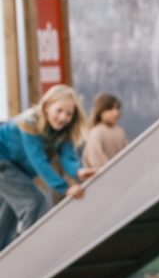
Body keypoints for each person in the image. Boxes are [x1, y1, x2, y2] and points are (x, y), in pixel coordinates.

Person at [0, 84, 92, 250]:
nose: (63, 117)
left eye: (69, 114)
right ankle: (30, 249)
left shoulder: (63, 131)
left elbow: (68, 157)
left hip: (17, 169)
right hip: (3, 161)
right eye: (59, 110)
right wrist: (64, 187)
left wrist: (78, 172)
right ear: (46, 107)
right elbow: (38, 161)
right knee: (33, 201)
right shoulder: (30, 122)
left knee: (9, 213)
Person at [82, 93, 128, 170]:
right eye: (110, 109)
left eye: (117, 109)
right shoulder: (96, 132)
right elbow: (95, 158)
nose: (115, 113)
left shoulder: (120, 131)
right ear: (100, 111)